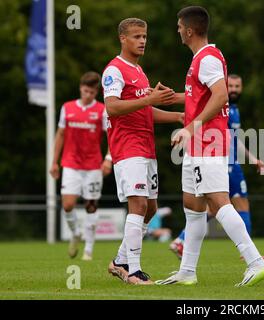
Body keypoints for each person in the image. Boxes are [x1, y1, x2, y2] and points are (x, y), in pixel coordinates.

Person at [156, 6, 264, 287]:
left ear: (189, 30)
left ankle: (256, 262)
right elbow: (201, 95)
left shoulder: (206, 58)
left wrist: (191, 127)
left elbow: (220, 96)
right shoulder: (203, 58)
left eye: (179, 26)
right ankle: (187, 271)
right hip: (199, 143)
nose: (178, 31)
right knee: (192, 205)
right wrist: (172, 98)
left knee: (219, 202)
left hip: (207, 140)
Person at [102, 18, 182, 285]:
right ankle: (134, 271)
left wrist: (178, 117)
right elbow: (112, 107)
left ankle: (119, 261)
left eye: (145, 36)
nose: (142, 40)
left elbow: (145, 109)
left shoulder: (140, 72)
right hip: (127, 146)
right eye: (136, 36)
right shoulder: (114, 70)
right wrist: (149, 98)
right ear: (123, 38)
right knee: (139, 204)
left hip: (146, 147)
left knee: (151, 209)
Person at [169, 74, 264, 261]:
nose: (233, 89)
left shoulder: (234, 109)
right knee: (239, 204)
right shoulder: (223, 108)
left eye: (237, 86)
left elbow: (234, 139)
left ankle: (180, 240)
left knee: (213, 207)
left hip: (224, 160)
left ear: (242, 88)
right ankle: (248, 253)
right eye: (230, 85)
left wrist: (252, 158)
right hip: (225, 162)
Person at [50, 71, 112, 261]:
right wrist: (54, 161)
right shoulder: (67, 108)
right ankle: (75, 232)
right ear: (80, 89)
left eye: (92, 93)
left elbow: (111, 135)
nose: (88, 96)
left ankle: (88, 250)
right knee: (67, 204)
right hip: (70, 164)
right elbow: (60, 134)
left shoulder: (102, 110)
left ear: (96, 93)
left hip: (93, 165)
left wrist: (108, 158)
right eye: (85, 91)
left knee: (91, 206)